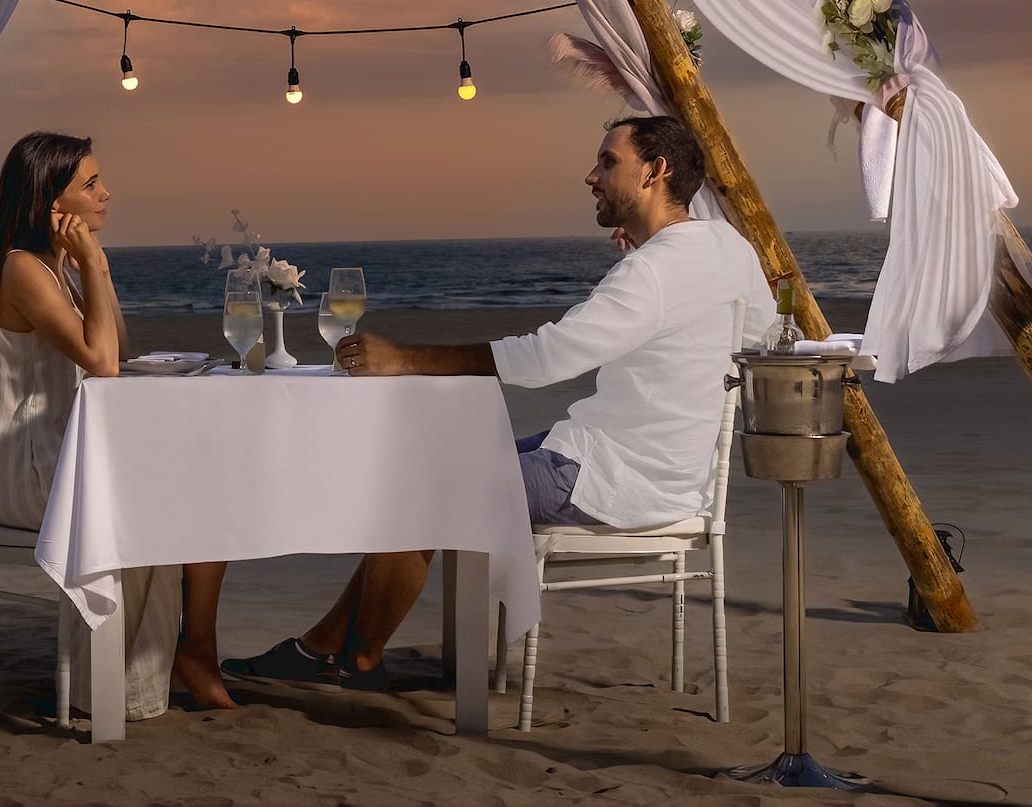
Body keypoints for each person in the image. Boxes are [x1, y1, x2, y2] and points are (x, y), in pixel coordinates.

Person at [226, 114, 771, 689]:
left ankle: (357, 660)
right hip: (675, 471)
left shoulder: (654, 271)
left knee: (425, 488)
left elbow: (544, 360)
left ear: (654, 172)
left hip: (610, 477)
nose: (591, 175)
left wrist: (403, 357)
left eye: (609, 161)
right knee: (432, 468)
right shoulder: (727, 249)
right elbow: (757, 339)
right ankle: (324, 646)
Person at [0, 130, 235, 714]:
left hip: (62, 455)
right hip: (29, 471)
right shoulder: (23, 269)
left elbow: (116, 345)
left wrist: (95, 266)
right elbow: (105, 363)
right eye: (90, 184)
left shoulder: (55, 264)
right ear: (49, 202)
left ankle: (191, 653)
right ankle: (126, 683)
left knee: (206, 492)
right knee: (165, 500)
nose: (107, 193)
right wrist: (92, 258)